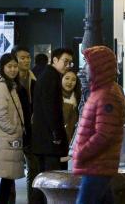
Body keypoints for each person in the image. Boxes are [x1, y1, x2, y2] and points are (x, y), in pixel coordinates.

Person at [71, 46, 125, 204]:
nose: (84, 68)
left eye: (87, 64)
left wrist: (81, 152)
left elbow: (104, 134)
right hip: (97, 165)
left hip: (98, 165)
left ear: (98, 67)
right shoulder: (101, 92)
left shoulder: (106, 95)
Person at [30, 47, 75, 204]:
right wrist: (56, 134)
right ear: (55, 60)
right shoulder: (51, 78)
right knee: (50, 181)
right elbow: (51, 109)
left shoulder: (49, 76)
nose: (68, 65)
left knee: (44, 179)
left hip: (44, 139)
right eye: (65, 61)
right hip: (48, 140)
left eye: (70, 62)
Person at [0, 52, 25, 204]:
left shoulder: (10, 85)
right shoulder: (2, 87)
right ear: (2, 68)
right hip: (5, 139)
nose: (13, 69)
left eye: (15, 66)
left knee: (8, 179)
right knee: (7, 179)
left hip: (7, 138)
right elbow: (0, 114)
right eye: (9, 66)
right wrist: (14, 130)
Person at [12, 45, 37, 193]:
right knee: (10, 172)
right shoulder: (9, 83)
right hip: (13, 129)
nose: (27, 60)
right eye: (23, 58)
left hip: (30, 129)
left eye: (28, 57)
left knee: (33, 169)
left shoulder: (34, 79)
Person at [60, 70, 80, 144]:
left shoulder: (79, 98)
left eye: (73, 80)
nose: (69, 82)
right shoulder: (54, 96)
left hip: (74, 142)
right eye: (67, 78)